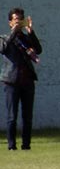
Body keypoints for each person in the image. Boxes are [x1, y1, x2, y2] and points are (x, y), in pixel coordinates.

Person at [2, 8, 42, 151]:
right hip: (11, 81)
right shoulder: (5, 38)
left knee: (27, 116)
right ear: (10, 22)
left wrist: (30, 31)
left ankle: (26, 145)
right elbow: (3, 48)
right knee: (12, 116)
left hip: (27, 81)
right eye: (16, 19)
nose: (19, 22)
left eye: (21, 19)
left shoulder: (26, 38)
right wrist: (14, 31)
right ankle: (11, 145)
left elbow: (38, 49)